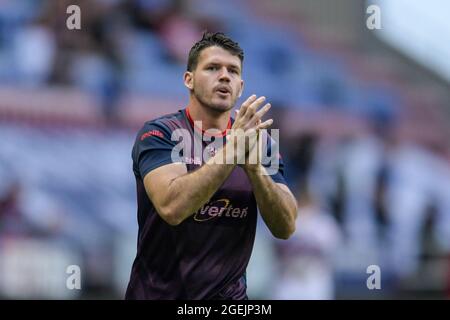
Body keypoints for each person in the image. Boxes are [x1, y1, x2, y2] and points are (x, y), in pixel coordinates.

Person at [125, 32, 298, 300]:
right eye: (212, 68)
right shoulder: (160, 133)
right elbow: (172, 208)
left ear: (240, 87)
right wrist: (232, 152)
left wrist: (255, 170)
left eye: (232, 71)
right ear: (189, 80)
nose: (224, 76)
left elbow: (285, 226)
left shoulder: (261, 144)